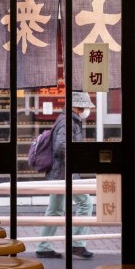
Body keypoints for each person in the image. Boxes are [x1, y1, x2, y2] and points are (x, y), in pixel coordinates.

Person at [35, 91, 95, 259]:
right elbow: (61, 147)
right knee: (86, 204)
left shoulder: (66, 120)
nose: (86, 110)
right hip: (65, 173)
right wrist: (77, 157)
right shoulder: (68, 122)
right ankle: (77, 244)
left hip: (60, 173)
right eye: (85, 107)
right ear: (77, 106)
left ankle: (43, 245)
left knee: (55, 210)